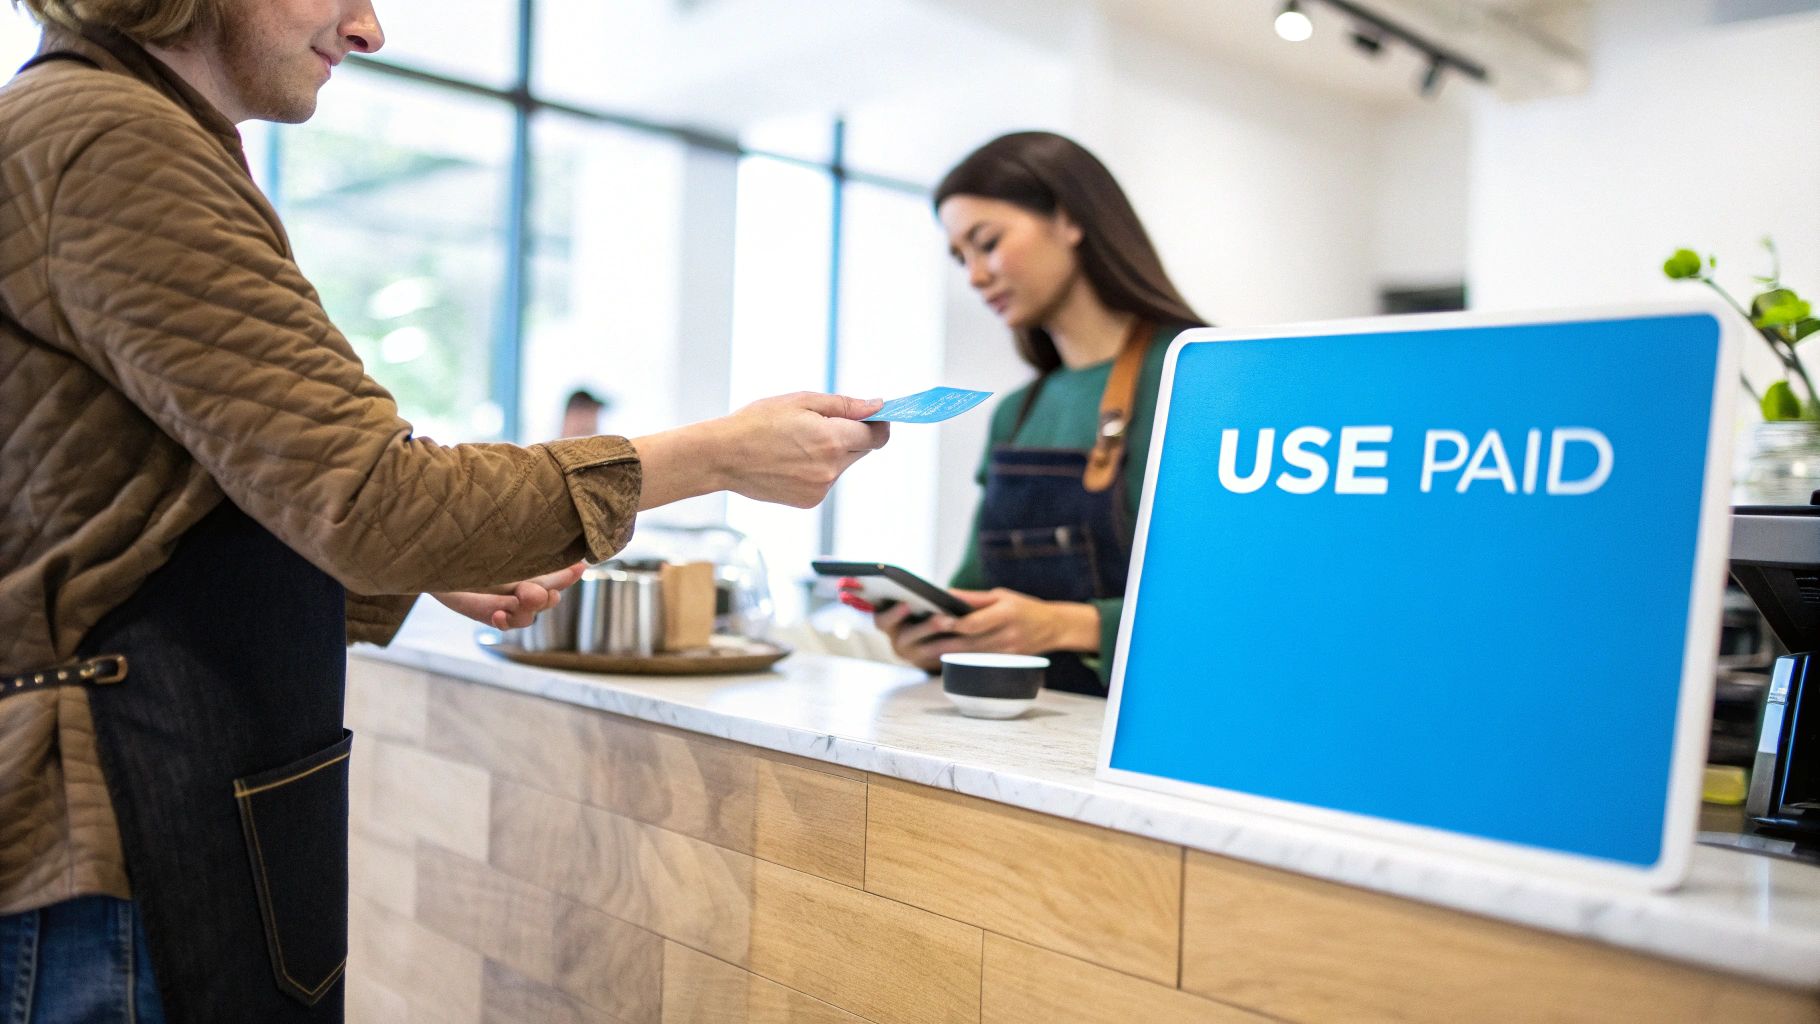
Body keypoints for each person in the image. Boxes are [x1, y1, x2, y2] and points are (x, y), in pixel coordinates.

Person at [0, 2, 888, 1021]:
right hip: (114, 827)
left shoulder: (82, 127)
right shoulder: (116, 142)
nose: (369, 27)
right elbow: (375, 499)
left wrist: (418, 560)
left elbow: (135, 500)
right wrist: (718, 455)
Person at [866, 131, 1205, 695]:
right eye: (961, 257)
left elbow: (1240, 608)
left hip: (1160, 737)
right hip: (1018, 740)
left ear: (1069, 220)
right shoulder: (1017, 414)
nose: (975, 276)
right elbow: (974, 590)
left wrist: (1064, 625)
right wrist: (935, 638)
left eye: (988, 241)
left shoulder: (1206, 376)